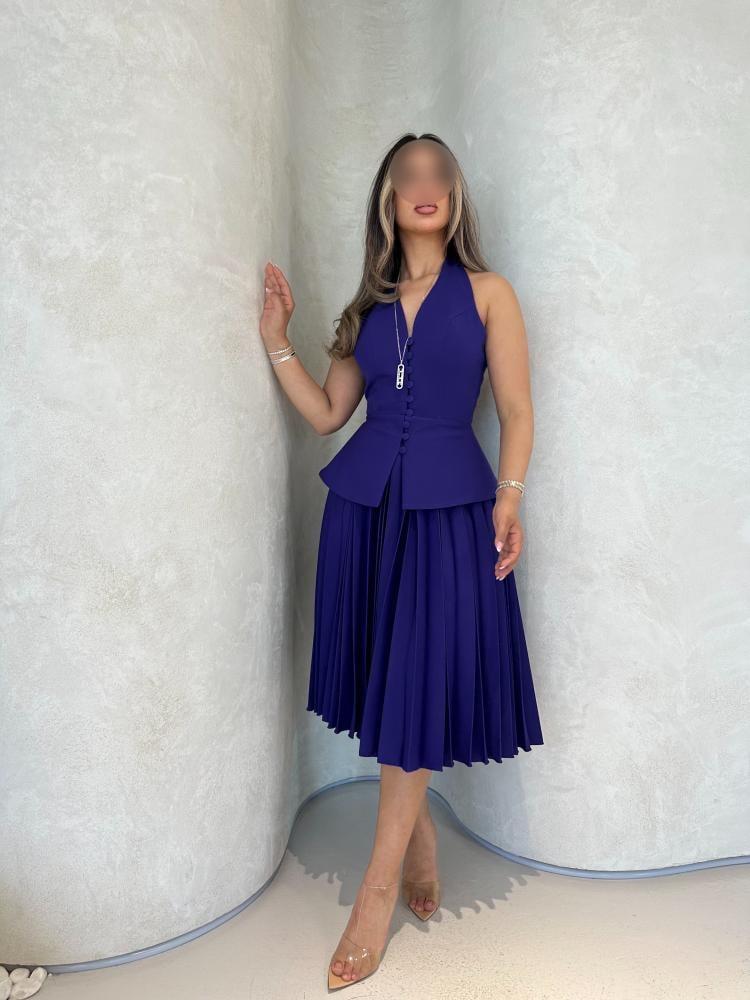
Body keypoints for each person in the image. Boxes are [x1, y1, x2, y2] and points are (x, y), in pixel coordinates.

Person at [259, 133, 544, 990]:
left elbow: (516, 409)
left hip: (450, 512)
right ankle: (417, 838)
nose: (425, 186)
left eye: (439, 175)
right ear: (388, 201)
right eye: (407, 177)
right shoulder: (367, 309)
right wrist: (277, 340)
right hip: (366, 511)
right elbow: (327, 414)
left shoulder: (490, 293)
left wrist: (510, 495)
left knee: (417, 682)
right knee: (388, 682)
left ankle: (375, 892)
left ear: (455, 199)